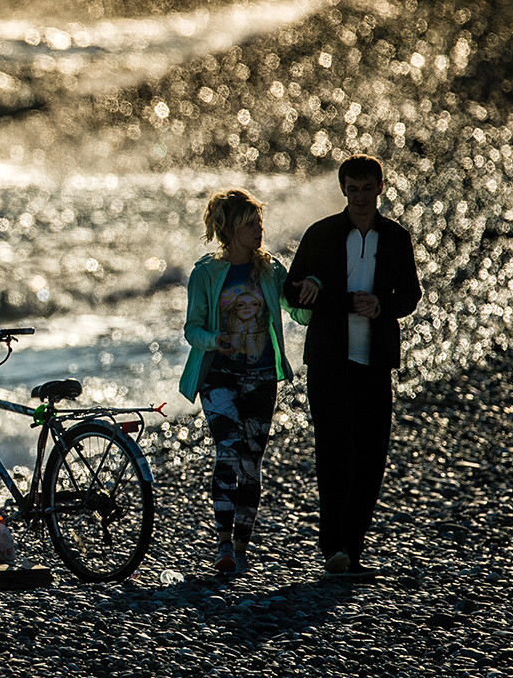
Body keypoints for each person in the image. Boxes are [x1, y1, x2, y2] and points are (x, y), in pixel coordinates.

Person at [283, 154, 421, 578]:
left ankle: (352, 548)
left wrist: (382, 306)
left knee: (371, 457)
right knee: (334, 454)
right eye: (353, 188)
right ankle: (333, 549)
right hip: (328, 361)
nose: (360, 197)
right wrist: (340, 300)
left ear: (381, 188)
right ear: (343, 189)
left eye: (367, 188)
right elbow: (292, 290)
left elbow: (411, 295)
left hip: (375, 361)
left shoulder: (396, 237)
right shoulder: (322, 233)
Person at [179, 189, 313, 573]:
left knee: (252, 462)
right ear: (230, 230)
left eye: (259, 222)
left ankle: (241, 546)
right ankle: (223, 545)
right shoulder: (205, 273)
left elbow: (299, 313)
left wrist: (314, 287)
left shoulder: (271, 270)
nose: (259, 229)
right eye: (250, 224)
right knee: (228, 452)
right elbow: (192, 329)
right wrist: (213, 340)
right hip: (218, 375)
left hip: (261, 376)